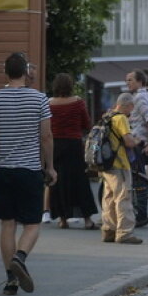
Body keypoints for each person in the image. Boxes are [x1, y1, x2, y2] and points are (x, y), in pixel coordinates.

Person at [0, 52, 58, 295]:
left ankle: (11, 280)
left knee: (7, 223)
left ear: (5, 72)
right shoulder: (39, 99)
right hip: (29, 171)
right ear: (25, 72)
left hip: (2, 171)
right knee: (32, 223)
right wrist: (50, 167)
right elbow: (46, 136)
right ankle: (20, 257)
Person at [46, 73, 98, 230]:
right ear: (71, 86)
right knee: (79, 181)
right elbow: (86, 124)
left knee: (58, 181)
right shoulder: (78, 102)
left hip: (55, 145)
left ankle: (63, 219)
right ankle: (87, 220)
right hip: (74, 145)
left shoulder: (49, 104)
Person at [100, 93, 143, 244]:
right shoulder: (121, 118)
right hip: (119, 163)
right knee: (123, 197)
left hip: (106, 164)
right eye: (132, 107)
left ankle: (109, 230)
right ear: (128, 105)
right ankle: (125, 233)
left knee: (109, 198)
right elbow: (129, 142)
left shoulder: (107, 116)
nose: (132, 110)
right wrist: (137, 141)